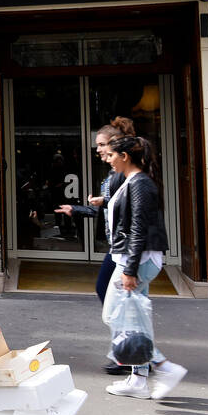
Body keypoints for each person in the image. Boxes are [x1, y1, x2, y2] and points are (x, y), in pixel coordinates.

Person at [100, 134, 187, 400]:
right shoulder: (132, 182)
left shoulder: (139, 184)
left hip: (136, 260)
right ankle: (138, 379)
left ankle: (163, 366)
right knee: (133, 318)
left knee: (115, 316)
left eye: (112, 155)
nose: (109, 159)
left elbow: (138, 228)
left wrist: (129, 270)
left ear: (125, 156)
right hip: (134, 259)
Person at [54, 117, 134, 373]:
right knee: (115, 298)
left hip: (124, 248)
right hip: (118, 247)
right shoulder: (114, 173)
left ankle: (135, 354)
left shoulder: (124, 173)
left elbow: (129, 210)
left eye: (101, 145)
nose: (97, 149)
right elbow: (109, 207)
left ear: (114, 144)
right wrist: (79, 208)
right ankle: (135, 353)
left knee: (117, 299)